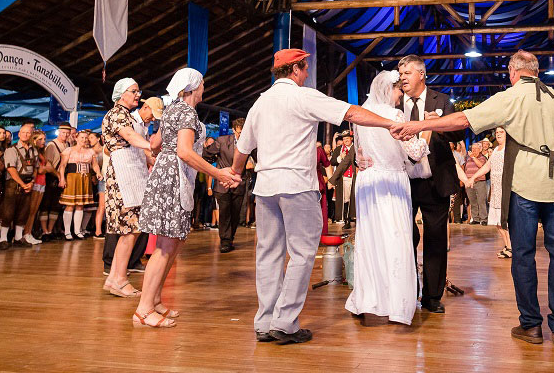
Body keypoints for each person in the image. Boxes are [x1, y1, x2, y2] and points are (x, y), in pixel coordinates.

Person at [392, 51, 554, 345]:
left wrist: (420, 125)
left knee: (523, 255)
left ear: (513, 72)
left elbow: (462, 119)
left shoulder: (509, 97)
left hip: (525, 185)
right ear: (537, 71)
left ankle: (531, 325)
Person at [231, 48, 397, 344]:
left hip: (266, 187)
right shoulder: (303, 96)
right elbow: (351, 112)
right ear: (295, 69)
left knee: (268, 254)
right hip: (297, 185)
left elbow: (243, 148)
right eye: (305, 68)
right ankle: (284, 322)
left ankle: (264, 322)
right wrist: (390, 123)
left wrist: (234, 172)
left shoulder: (261, 101)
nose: (307, 73)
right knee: (302, 253)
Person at [134, 69, 240, 328]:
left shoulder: (172, 109)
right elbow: (183, 151)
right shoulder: (187, 112)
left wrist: (163, 157)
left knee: (175, 242)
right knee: (165, 246)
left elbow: (155, 143)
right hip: (175, 177)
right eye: (202, 84)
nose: (204, 88)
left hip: (169, 174)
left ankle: (155, 300)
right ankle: (143, 311)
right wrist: (217, 173)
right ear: (193, 88)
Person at [346, 70, 429, 325]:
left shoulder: (363, 114)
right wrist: (426, 129)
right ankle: (396, 303)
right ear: (389, 89)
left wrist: (363, 161)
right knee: (395, 238)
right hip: (391, 181)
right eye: (398, 91)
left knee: (371, 240)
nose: (400, 96)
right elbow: (415, 152)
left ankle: (370, 298)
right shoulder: (394, 115)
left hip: (368, 181)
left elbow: (361, 153)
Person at [397, 54, 462, 316]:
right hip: (403, 181)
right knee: (405, 236)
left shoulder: (441, 100)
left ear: (421, 74)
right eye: (400, 73)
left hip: (435, 180)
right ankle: (407, 291)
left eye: (407, 73)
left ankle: (432, 296)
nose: (402, 78)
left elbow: (459, 132)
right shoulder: (395, 102)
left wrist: (439, 124)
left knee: (435, 239)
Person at [102, 79, 155, 298]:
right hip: (122, 176)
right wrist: (153, 146)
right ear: (121, 94)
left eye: (138, 91)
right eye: (134, 91)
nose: (137, 95)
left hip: (131, 174)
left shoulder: (126, 114)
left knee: (130, 230)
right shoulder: (117, 114)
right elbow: (131, 137)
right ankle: (120, 280)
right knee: (129, 229)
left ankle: (114, 277)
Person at [204, 117, 249, 253]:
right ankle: (225, 241)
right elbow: (206, 154)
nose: (242, 135)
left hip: (239, 183)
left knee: (235, 213)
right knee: (224, 213)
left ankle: (230, 238)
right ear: (234, 130)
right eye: (240, 132)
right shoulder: (222, 141)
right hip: (222, 183)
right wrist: (216, 168)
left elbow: (258, 157)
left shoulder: (249, 142)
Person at [471, 127, 511, 258]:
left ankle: (511, 247)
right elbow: (487, 167)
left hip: (505, 189)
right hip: (495, 190)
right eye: (497, 132)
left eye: (501, 132)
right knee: (498, 222)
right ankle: (507, 245)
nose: (498, 134)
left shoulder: (508, 149)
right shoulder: (495, 151)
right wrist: (473, 177)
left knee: (504, 221)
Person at [0, 123, 39, 249]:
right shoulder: (12, 149)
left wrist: (32, 182)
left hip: (28, 181)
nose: (26, 135)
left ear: (31, 135)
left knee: (24, 211)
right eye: (23, 132)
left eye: (28, 133)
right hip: (13, 182)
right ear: (19, 134)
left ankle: (18, 237)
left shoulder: (33, 150)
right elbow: (11, 168)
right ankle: (3, 239)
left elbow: (36, 168)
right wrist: (22, 184)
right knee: (8, 210)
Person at [59, 131, 97, 240]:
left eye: (86, 138)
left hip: (85, 178)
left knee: (80, 205)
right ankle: (67, 231)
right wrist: (62, 178)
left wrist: (98, 173)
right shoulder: (69, 150)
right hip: (72, 178)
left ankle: (77, 230)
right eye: (82, 137)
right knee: (70, 205)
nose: (84, 140)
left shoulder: (90, 151)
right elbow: (62, 165)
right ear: (76, 138)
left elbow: (94, 165)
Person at [40, 123, 71, 239]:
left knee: (56, 205)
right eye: (63, 132)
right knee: (46, 205)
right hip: (51, 177)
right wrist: (58, 176)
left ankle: (50, 229)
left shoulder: (68, 145)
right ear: (59, 132)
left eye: (67, 133)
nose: (65, 135)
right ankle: (45, 231)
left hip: (62, 178)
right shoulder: (52, 145)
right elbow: (48, 165)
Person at [330, 130, 357, 227]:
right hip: (344, 177)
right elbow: (332, 162)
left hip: (354, 177)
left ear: (351, 139)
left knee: (354, 198)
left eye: (347, 138)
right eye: (344, 139)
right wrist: (339, 158)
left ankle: (354, 217)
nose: (346, 140)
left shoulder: (356, 148)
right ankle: (346, 220)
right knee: (345, 199)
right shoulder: (339, 149)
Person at [462, 142, 488, 225]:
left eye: (476, 149)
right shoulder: (468, 158)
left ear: (480, 150)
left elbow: (481, 166)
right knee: (472, 201)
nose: (473, 150)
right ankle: (476, 218)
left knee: (481, 201)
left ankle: (484, 219)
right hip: (469, 183)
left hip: (479, 182)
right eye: (472, 149)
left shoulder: (482, 158)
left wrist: (473, 157)